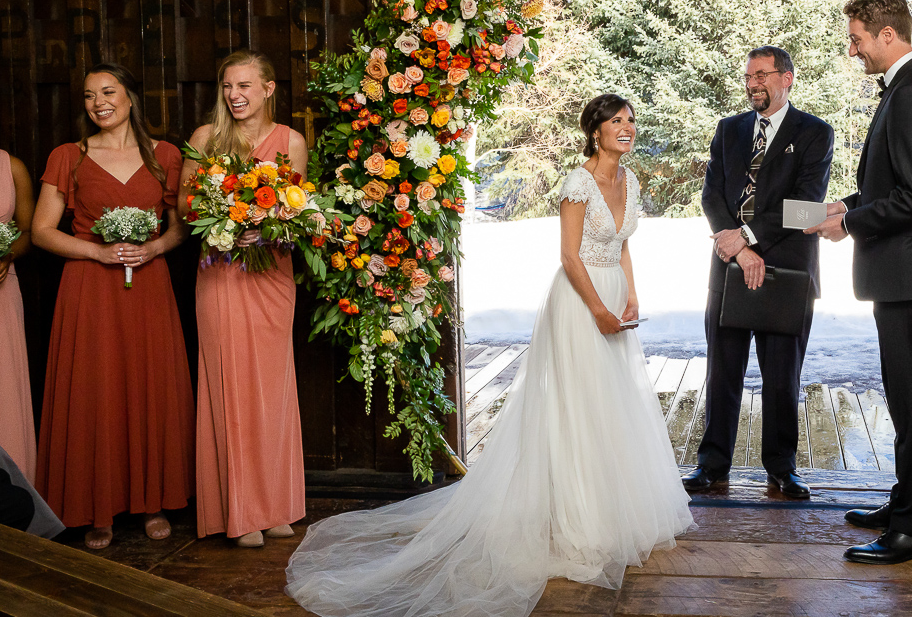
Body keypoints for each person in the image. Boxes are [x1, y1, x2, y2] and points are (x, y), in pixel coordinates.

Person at [286, 94, 693, 617]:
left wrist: (632, 294)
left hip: (615, 295)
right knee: (578, 406)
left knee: (614, 405)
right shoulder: (578, 183)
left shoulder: (631, 181)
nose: (627, 128)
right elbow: (570, 256)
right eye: (617, 121)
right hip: (579, 302)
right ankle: (577, 518)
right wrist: (597, 309)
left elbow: (622, 245)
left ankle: (613, 511)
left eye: (631, 121)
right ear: (595, 131)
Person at [807, 0, 912, 564]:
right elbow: (889, 187)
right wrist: (844, 208)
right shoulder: (904, 88)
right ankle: (904, 503)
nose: (853, 51)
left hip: (910, 275)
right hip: (900, 274)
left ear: (887, 35)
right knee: (904, 399)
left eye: (858, 39)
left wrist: (852, 223)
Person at [32, 63, 194, 550]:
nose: (98, 102)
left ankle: (152, 502)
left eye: (108, 92)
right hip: (88, 288)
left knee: (149, 384)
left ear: (129, 98)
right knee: (94, 389)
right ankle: (94, 506)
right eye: (88, 95)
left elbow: (181, 225)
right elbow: (41, 230)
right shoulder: (69, 156)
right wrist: (98, 252)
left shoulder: (164, 154)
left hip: (149, 286)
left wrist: (156, 248)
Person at [685, 46, 834, 499]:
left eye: (763, 75)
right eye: (749, 76)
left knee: (782, 376)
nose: (753, 84)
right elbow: (712, 195)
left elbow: (806, 206)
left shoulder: (815, 133)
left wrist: (747, 238)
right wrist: (737, 248)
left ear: (787, 78)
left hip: (785, 271)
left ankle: (781, 468)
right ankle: (712, 464)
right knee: (723, 370)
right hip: (730, 267)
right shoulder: (728, 130)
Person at [181, 50, 308, 548]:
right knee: (231, 384)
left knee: (272, 389)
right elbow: (186, 205)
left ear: (269, 89)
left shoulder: (291, 142)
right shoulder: (205, 139)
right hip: (221, 274)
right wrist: (225, 223)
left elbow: (297, 207)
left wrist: (268, 227)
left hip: (271, 273)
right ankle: (240, 510)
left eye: (245, 86)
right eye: (228, 86)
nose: (234, 95)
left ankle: (276, 504)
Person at [0, 100, 36, 480]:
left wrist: (5, 256)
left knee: (2, 389)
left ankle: (13, 491)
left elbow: (28, 231)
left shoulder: (11, 166)